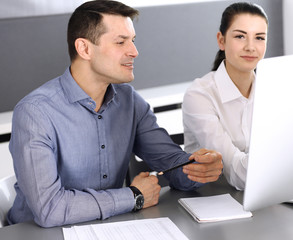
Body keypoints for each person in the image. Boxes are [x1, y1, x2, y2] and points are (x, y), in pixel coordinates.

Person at [8, 0, 223, 228]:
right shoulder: (35, 113)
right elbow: (49, 209)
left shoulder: (129, 101)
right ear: (84, 49)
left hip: (108, 228)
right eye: (121, 42)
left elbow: (171, 163)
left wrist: (198, 168)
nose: (134, 52)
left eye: (133, 41)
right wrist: (132, 196)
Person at [182, 2, 268, 190]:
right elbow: (237, 173)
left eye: (259, 38)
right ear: (221, 40)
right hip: (212, 198)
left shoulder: (271, 90)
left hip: (265, 194)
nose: (251, 47)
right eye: (240, 36)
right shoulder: (199, 95)